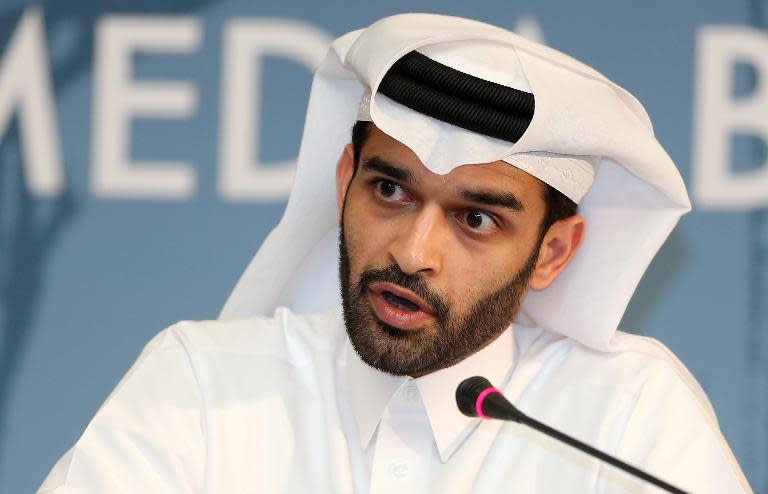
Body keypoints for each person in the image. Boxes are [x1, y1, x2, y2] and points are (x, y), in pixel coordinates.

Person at [39, 13, 752, 493]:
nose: (413, 253)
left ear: (552, 252)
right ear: (345, 182)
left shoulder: (627, 417)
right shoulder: (203, 385)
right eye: (390, 190)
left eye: (475, 217)